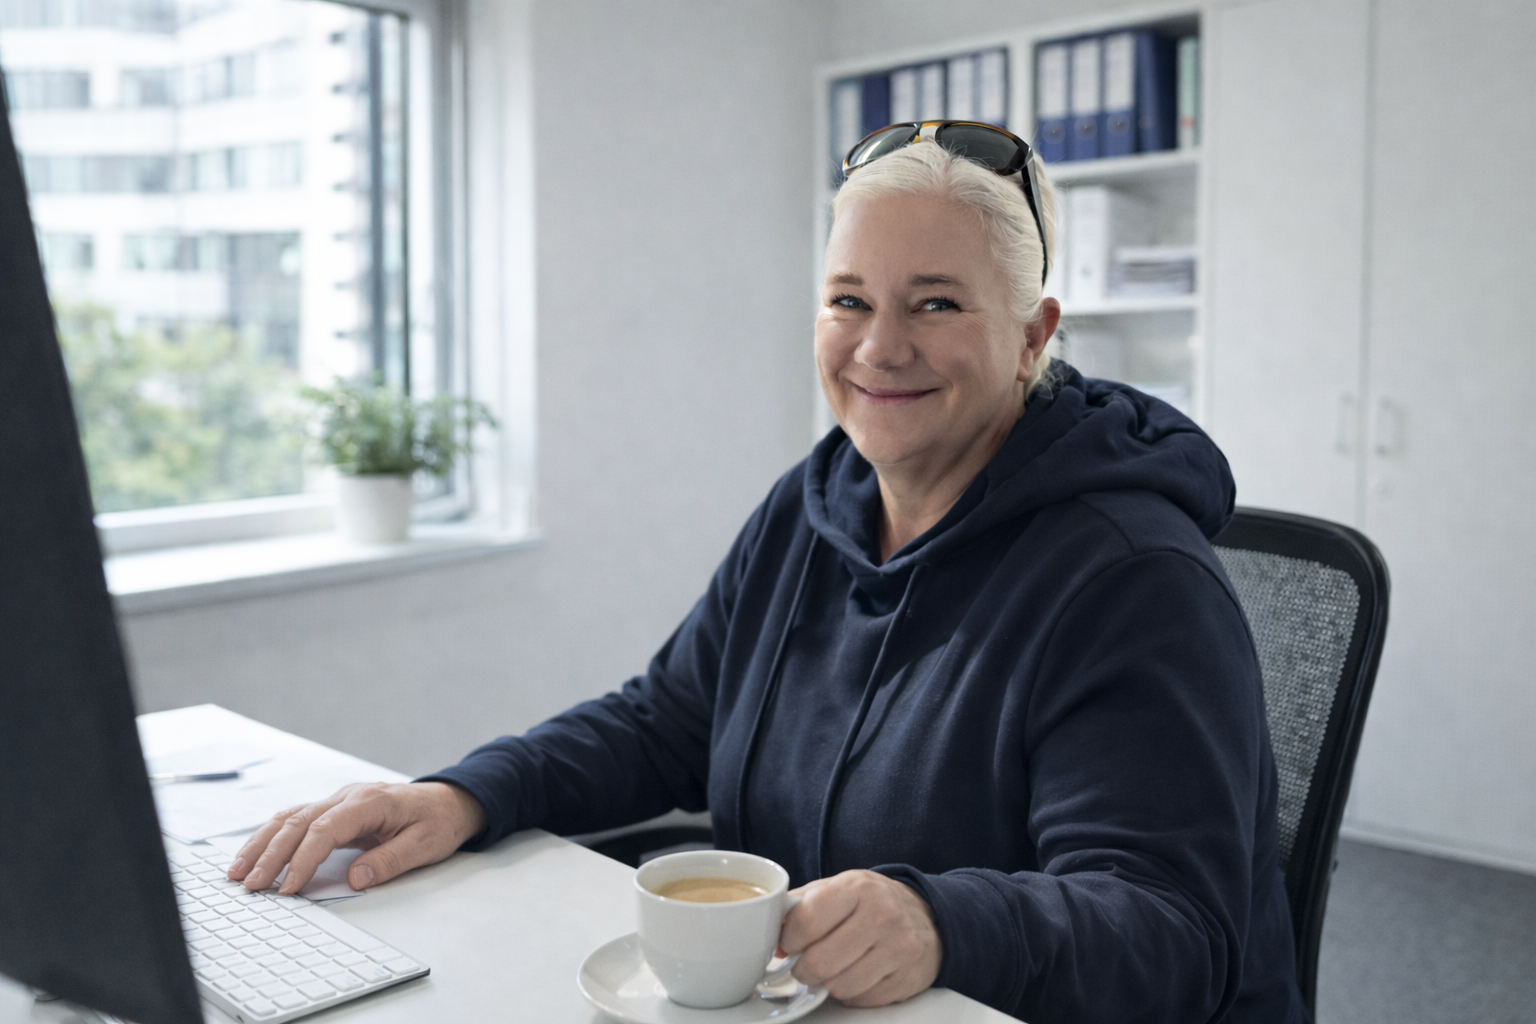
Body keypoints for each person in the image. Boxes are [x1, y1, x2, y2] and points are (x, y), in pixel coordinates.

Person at [228, 123, 1307, 1024]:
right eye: (849, 299)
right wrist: (465, 792)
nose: (880, 347)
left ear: (1033, 338)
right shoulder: (818, 501)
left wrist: (944, 922)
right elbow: (669, 719)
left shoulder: (1132, 578)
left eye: (936, 302)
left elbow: (1172, 932)